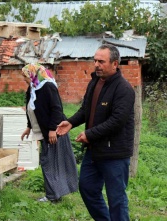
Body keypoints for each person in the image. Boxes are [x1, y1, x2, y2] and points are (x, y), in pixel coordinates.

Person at [56, 44, 135, 220]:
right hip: (94, 151)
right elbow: (86, 109)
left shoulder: (124, 89)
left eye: (101, 61)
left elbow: (117, 121)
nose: (97, 65)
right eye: (95, 60)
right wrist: (70, 122)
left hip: (115, 153)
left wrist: (89, 135)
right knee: (87, 188)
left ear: (115, 64)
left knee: (116, 199)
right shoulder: (95, 82)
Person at [20, 63, 78, 203]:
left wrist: (53, 129)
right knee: (49, 162)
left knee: (50, 163)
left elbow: (57, 109)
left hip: (54, 131)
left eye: (26, 77)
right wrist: (29, 126)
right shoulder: (33, 88)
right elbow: (31, 109)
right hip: (45, 131)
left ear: (34, 74)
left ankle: (53, 196)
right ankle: (54, 194)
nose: (25, 80)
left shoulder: (48, 87)